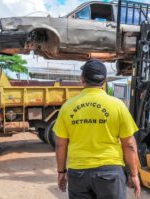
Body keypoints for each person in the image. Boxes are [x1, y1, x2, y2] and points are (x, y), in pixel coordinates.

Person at [53, 59, 141, 199]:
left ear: (82, 80)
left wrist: (61, 171)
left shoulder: (67, 107)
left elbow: (60, 144)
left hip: (78, 173)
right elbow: (129, 144)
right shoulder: (118, 106)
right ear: (104, 81)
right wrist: (134, 174)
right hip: (110, 173)